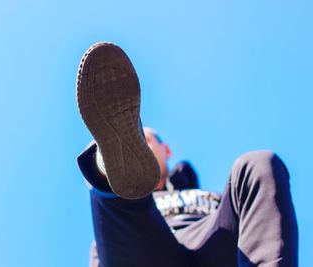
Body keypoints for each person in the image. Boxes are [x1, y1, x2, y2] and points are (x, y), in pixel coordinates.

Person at [76, 42, 298, 267]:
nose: (144, 148)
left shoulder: (211, 200)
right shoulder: (117, 228)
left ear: (167, 150)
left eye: (147, 141)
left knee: (257, 164)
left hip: (215, 240)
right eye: (138, 142)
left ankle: (109, 169)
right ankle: (107, 167)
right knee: (116, 209)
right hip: (143, 248)